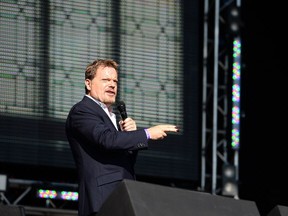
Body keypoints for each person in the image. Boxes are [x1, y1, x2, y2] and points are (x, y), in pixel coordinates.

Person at [65, 59, 179, 216]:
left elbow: (123, 160)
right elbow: (107, 140)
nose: (112, 84)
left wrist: (129, 136)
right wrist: (147, 133)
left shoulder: (112, 117)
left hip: (123, 198)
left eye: (115, 81)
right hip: (101, 201)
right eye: (106, 80)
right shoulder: (82, 111)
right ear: (88, 84)